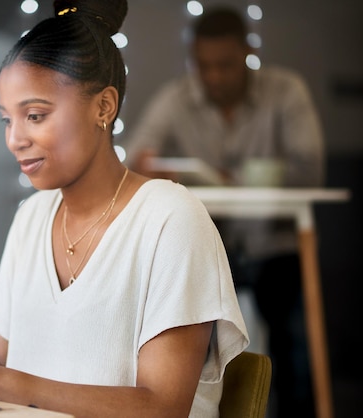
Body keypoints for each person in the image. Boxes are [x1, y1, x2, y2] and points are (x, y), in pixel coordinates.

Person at [0, 1, 248, 417]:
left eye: (34, 115)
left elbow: (162, 407)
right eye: (7, 120)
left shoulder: (171, 220)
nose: (15, 139)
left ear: (103, 107)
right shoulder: (31, 218)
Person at [123, 6, 324, 418]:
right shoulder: (176, 97)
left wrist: (232, 178)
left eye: (225, 65)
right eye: (204, 66)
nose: (213, 77)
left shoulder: (286, 90)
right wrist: (149, 166)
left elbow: (310, 168)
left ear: (248, 52)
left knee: (296, 350)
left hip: (276, 242)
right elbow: (134, 158)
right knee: (193, 355)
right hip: (210, 248)